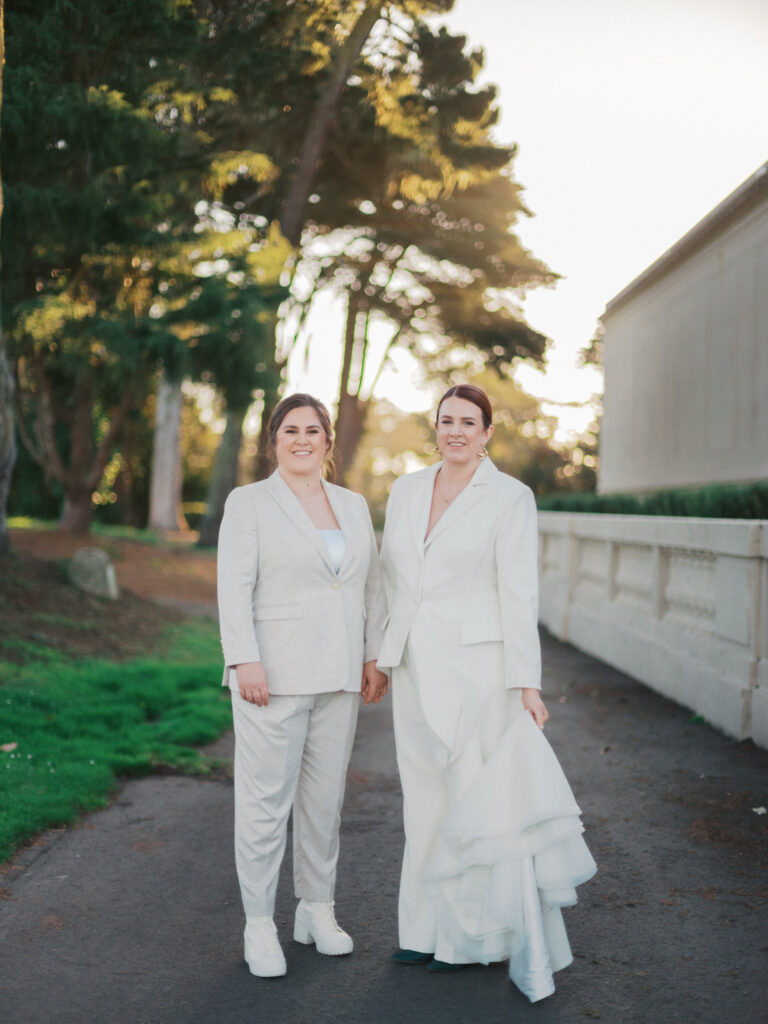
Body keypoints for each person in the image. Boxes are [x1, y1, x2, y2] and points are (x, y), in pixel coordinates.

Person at [377, 383, 596, 1003]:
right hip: (415, 666)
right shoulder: (405, 489)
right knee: (422, 798)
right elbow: (391, 580)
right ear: (436, 427)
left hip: (478, 669)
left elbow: (518, 592)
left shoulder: (510, 497)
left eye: (468, 423)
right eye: (446, 421)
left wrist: (527, 682)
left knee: (471, 799)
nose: (455, 432)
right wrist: (382, 653)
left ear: (487, 432)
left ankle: (471, 940)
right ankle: (421, 931)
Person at [217, 393, 388, 978]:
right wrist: (244, 660)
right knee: (265, 807)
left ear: (327, 441)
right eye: (290, 430)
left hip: (339, 676)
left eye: (312, 430)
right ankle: (259, 923)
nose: (301, 440)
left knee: (323, 803)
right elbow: (233, 587)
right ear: (273, 440)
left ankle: (316, 910)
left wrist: (373, 656)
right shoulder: (250, 502)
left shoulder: (354, 505)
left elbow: (370, 587)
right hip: (274, 676)